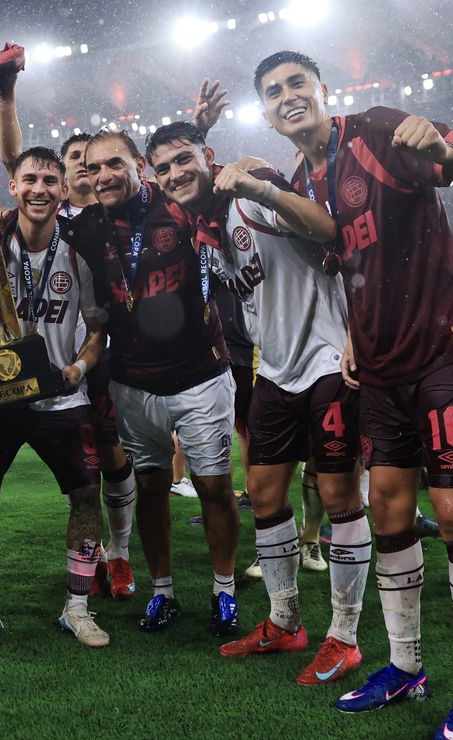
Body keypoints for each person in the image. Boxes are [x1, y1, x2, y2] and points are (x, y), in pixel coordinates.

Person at [254, 50, 453, 737]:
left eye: (297, 82)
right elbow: (349, 263)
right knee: (388, 513)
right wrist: (356, 339)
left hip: (445, 352)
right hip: (382, 370)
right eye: (274, 91)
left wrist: (452, 152)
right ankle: (405, 665)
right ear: (266, 111)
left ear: (322, 90)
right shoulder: (309, 179)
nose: (287, 96)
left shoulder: (373, 132)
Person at [146, 120, 372, 685]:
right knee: (266, 494)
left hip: (326, 360)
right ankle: (284, 621)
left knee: (341, 496)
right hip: (274, 368)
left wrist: (262, 186)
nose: (175, 174)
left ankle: (344, 636)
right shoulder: (206, 229)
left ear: (209, 157)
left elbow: (327, 229)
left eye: (183, 160)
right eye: (164, 167)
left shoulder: (249, 193)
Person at [69, 127, 241, 637]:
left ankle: (224, 590)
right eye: (93, 168)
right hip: (133, 380)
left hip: (200, 373)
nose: (104, 176)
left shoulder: (177, 202)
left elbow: (209, 174)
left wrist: (207, 137)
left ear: (137, 166)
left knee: (214, 488)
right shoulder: (85, 227)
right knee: (150, 487)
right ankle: (162, 593)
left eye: (114, 164)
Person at [0, 146, 109, 652]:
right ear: (11, 188)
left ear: (64, 190)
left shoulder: (81, 248)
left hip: (61, 396)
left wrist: (78, 368)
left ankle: (77, 608)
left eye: (49, 180)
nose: (39, 188)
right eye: (29, 179)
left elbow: (99, 329)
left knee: (85, 496)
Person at [59, 131, 138, 601]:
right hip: (53, 360)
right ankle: (87, 556)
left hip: (104, 354)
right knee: (76, 466)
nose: (91, 171)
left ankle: (120, 550)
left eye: (100, 163)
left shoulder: (114, 218)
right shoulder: (41, 220)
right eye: (79, 161)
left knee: (111, 456)